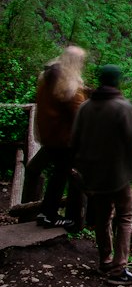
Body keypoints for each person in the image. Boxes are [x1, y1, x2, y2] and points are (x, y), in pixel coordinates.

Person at [71, 64, 132, 285]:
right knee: (124, 217)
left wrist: (81, 169)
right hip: (118, 175)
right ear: (117, 82)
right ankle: (119, 269)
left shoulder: (85, 107)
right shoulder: (123, 107)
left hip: (94, 175)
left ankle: (105, 260)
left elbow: (74, 141)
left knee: (102, 218)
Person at [24, 45, 88, 230]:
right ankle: (54, 217)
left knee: (55, 174)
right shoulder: (69, 86)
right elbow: (80, 116)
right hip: (64, 140)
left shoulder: (47, 77)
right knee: (65, 177)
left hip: (49, 136)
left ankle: (46, 214)